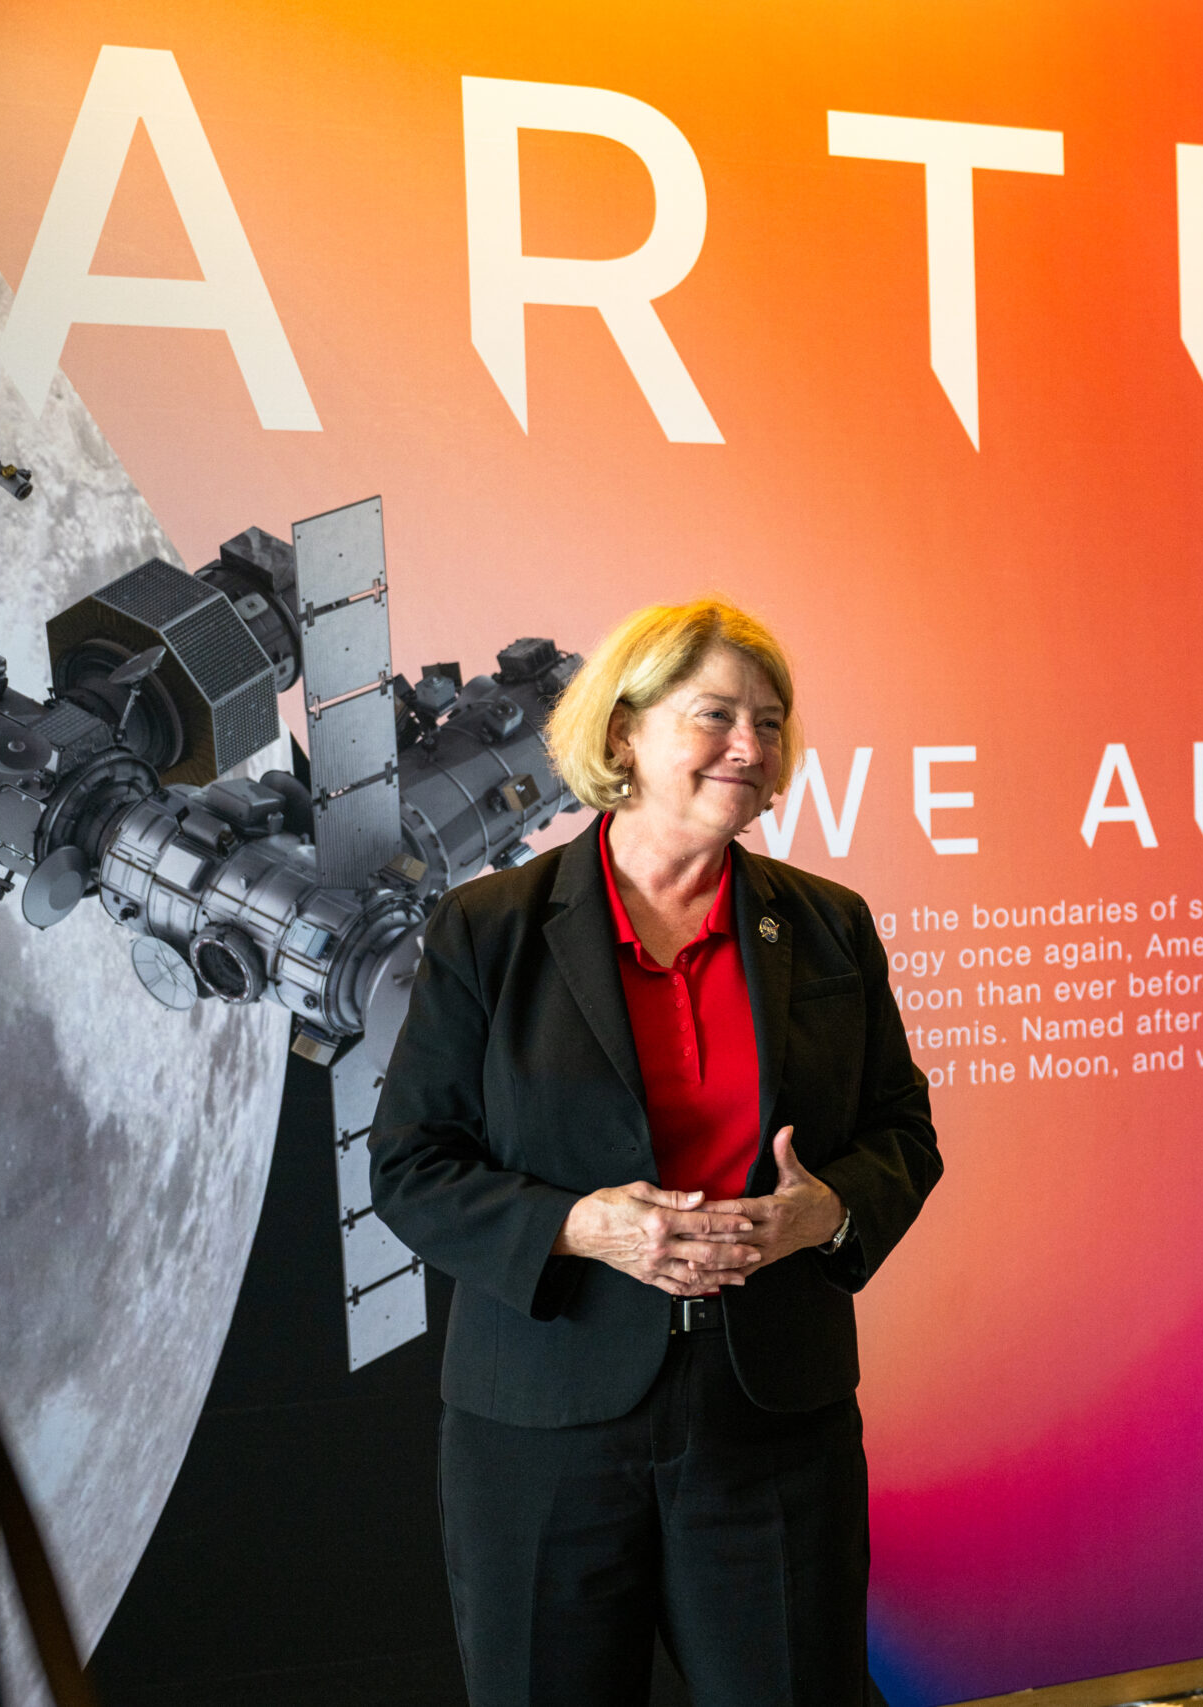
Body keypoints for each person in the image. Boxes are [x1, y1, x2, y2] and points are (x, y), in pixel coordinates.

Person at [371, 597, 941, 1707]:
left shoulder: (828, 925)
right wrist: (585, 1226)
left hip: (771, 1418)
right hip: (545, 1429)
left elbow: (902, 1132)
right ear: (623, 731)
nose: (751, 746)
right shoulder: (488, 929)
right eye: (715, 714)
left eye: (770, 722)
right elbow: (411, 1166)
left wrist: (823, 1213)